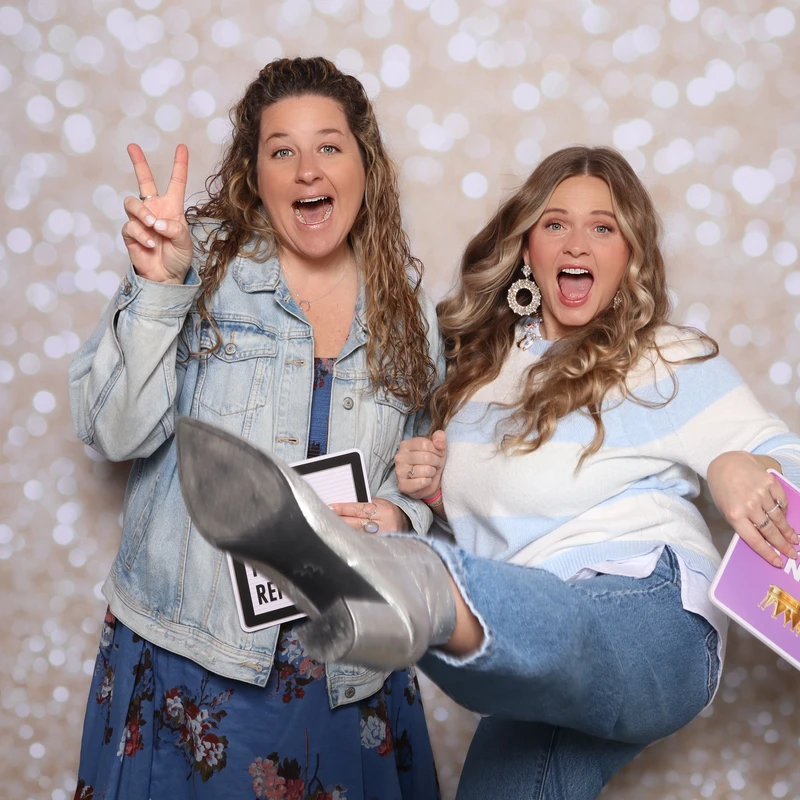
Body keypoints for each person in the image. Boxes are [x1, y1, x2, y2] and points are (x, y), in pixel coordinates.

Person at [174, 145, 800, 799]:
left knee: (575, 629)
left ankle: (417, 584)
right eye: (555, 223)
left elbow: (786, 461)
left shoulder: (666, 355)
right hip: (525, 644)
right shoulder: (473, 378)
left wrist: (736, 463)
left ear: (630, 255)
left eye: (603, 226)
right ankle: (416, 591)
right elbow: (501, 524)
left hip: (648, 609)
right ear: (527, 248)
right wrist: (435, 499)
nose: (576, 241)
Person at [68, 57, 443, 799]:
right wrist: (156, 291)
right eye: (282, 150)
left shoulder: (407, 306)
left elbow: (419, 466)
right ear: (255, 173)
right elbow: (111, 434)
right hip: (191, 656)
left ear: (364, 164)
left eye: (330, 146)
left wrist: (405, 512)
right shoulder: (193, 263)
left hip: (347, 668)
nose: (308, 169)